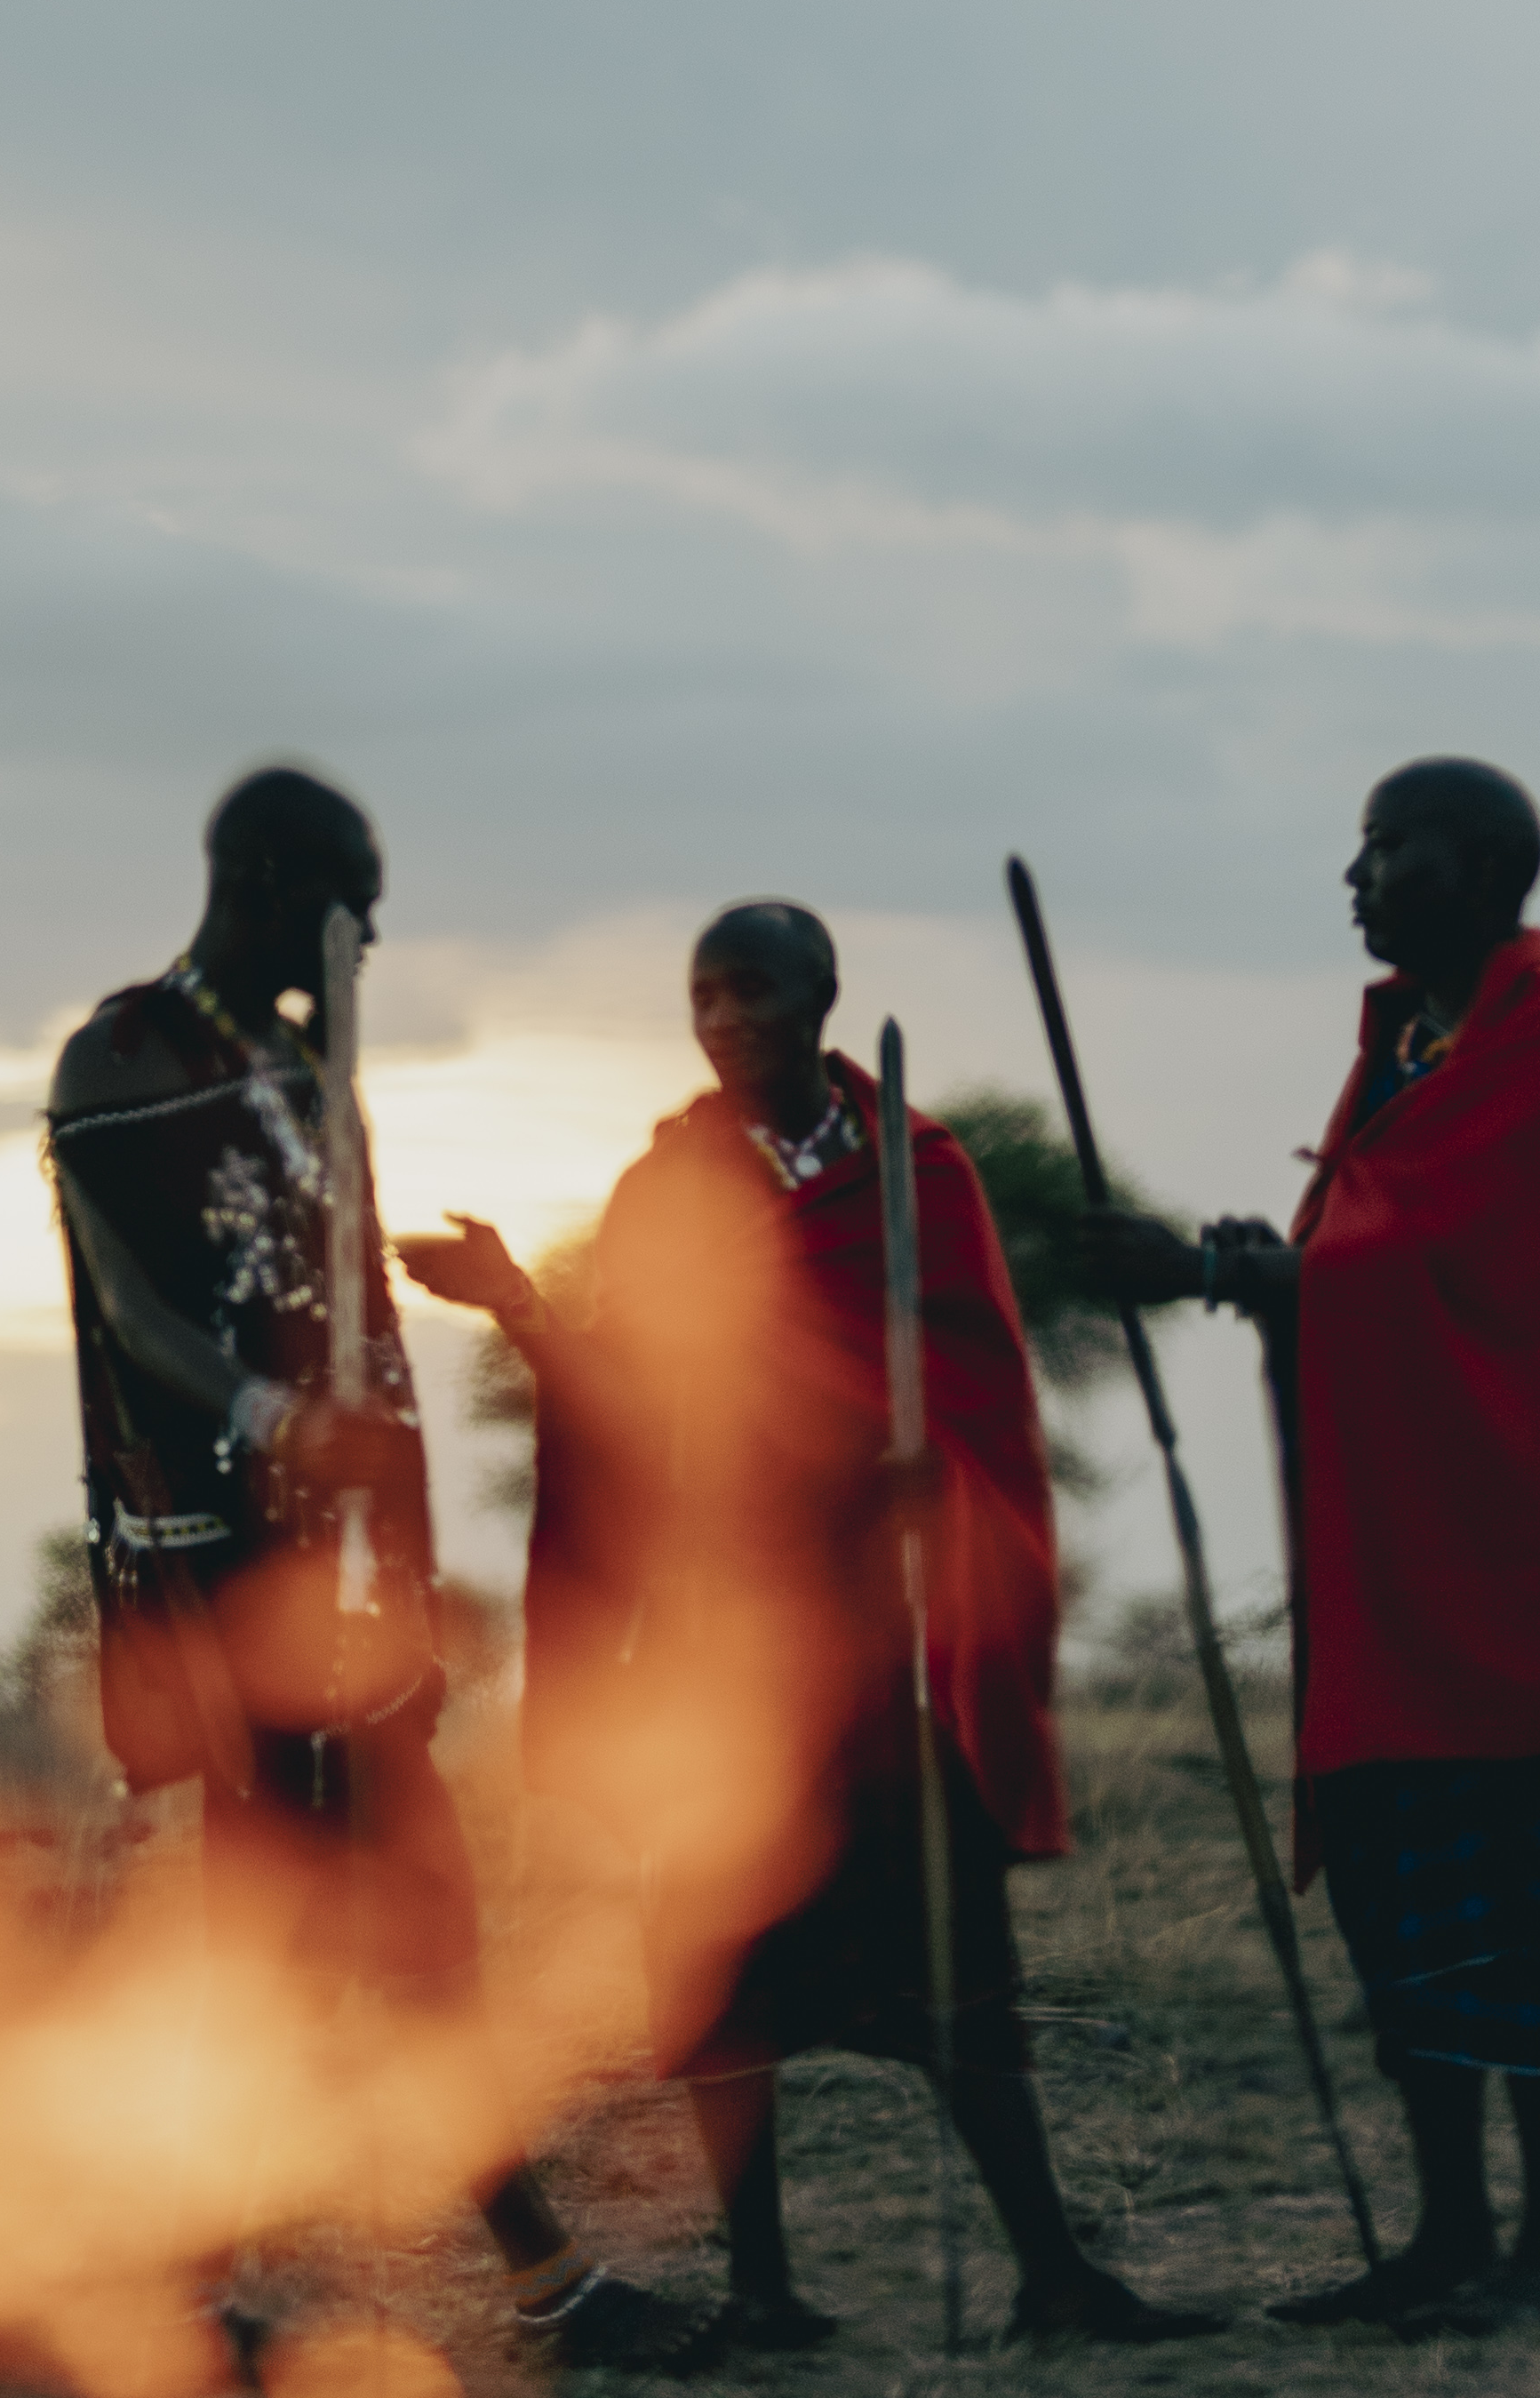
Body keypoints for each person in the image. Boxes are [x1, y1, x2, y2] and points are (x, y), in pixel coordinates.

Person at [403, 903, 1217, 2354]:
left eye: (752, 992)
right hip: (724, 1648)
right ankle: (765, 2288)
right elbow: (624, 1412)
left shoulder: (921, 1173)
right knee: (725, 1988)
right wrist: (521, 1300)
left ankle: (1052, 2274)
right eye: (703, 995)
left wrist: (935, 1481)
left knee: (960, 1965)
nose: (722, 1020)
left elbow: (984, 1397)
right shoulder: (667, 1193)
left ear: (821, 999)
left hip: (873, 1644)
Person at [46, 763, 709, 2374]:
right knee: (309, 1932)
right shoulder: (121, 1055)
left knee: (378, 1926)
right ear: (275, 881)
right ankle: (282, 2288)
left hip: (346, 1572)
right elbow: (132, 1309)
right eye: (359, 906)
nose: (374, 938)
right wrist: (277, 1412)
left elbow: (339, 1298)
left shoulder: (304, 1067)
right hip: (231, 1574)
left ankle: (224, 2289)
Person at [1076, 761, 1540, 2332]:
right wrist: (1237, 1263)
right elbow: (1363, 1256)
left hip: (1518, 1562)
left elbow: (1477, 1275)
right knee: (1399, 1897)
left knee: (1532, 1913)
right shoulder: (1409, 1045)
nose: (1354, 880)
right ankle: (1448, 2242)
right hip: (1403, 1566)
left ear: (1482, 869)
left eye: (1388, 851)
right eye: (1359, 852)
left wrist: (1226, 1280)